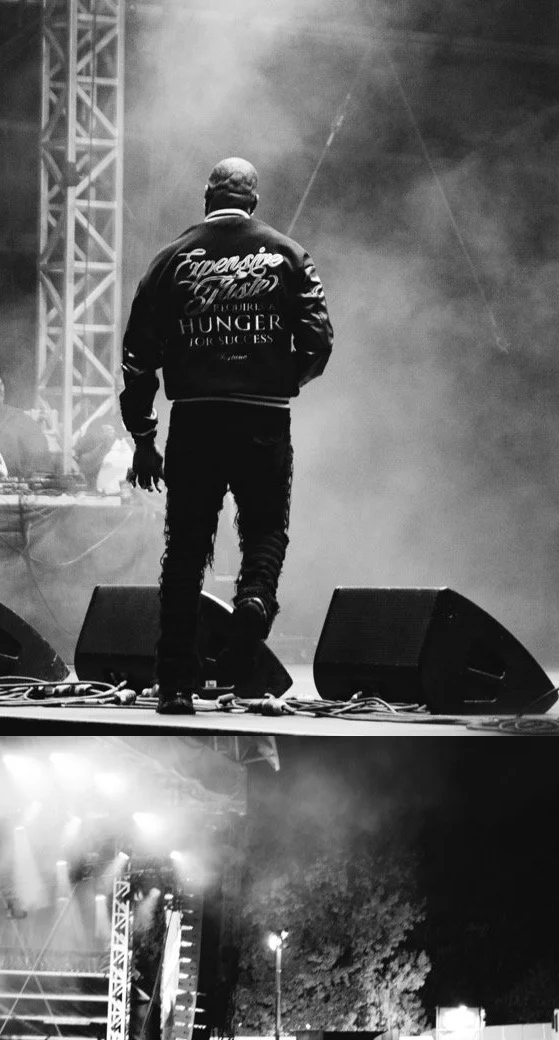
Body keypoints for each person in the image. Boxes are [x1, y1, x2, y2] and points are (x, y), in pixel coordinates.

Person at [119, 156, 334, 715]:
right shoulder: (289, 254)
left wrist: (143, 437)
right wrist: (281, 381)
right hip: (263, 419)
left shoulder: (170, 259)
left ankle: (174, 686)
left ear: (206, 198)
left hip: (195, 420)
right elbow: (319, 342)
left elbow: (137, 355)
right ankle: (254, 601)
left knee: (185, 552)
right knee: (265, 530)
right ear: (254, 202)